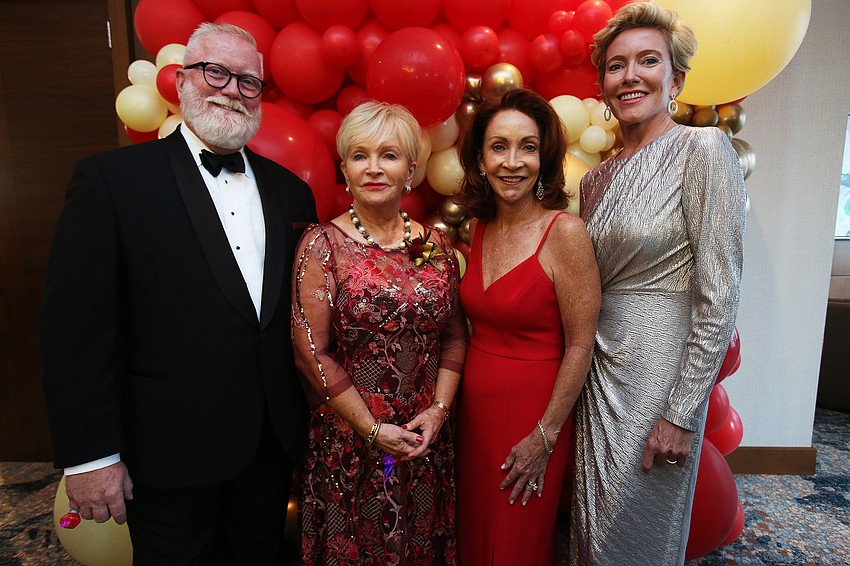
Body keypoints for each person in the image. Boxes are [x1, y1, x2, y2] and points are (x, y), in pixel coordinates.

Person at [40, 23, 317, 564]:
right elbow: (75, 329)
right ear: (183, 80)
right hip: (166, 452)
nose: (231, 89)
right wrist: (90, 455)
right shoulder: (111, 182)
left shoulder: (292, 192)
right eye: (216, 72)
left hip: (267, 448)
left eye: (248, 81)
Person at [571, 3, 748, 564]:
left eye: (648, 60)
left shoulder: (705, 150)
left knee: (632, 538)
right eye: (616, 65)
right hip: (594, 374)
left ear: (677, 78)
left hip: (659, 382)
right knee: (586, 532)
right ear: (603, 84)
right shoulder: (595, 179)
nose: (630, 76)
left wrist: (682, 409)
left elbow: (719, 292)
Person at [291, 100, 467, 565]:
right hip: (353, 439)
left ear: (411, 168)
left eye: (388, 155)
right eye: (359, 155)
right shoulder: (323, 245)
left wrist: (438, 413)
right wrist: (371, 430)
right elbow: (311, 351)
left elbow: (453, 337)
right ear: (344, 169)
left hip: (423, 438)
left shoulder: (436, 245)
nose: (373, 168)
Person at [453, 88, 601, 565]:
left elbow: (581, 345)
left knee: (515, 543)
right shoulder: (480, 229)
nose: (512, 162)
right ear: (480, 159)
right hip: (474, 414)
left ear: (545, 157)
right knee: (474, 535)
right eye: (499, 147)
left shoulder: (566, 233)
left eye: (528, 147)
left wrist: (545, 435)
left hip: (536, 419)